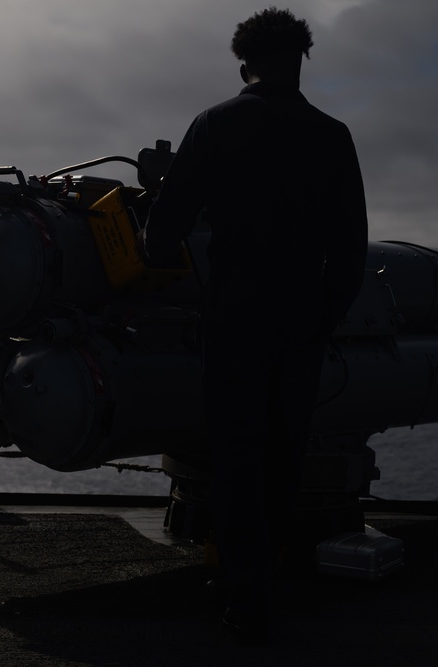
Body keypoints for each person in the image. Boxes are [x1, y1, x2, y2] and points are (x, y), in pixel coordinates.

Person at [141, 8, 368, 645]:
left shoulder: (214, 123)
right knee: (284, 449)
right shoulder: (333, 134)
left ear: (245, 64)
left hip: (236, 311)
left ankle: (247, 596)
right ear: (301, 61)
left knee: (236, 452)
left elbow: (164, 228)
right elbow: (352, 243)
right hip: (303, 315)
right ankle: (267, 572)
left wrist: (164, 255)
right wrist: (326, 312)